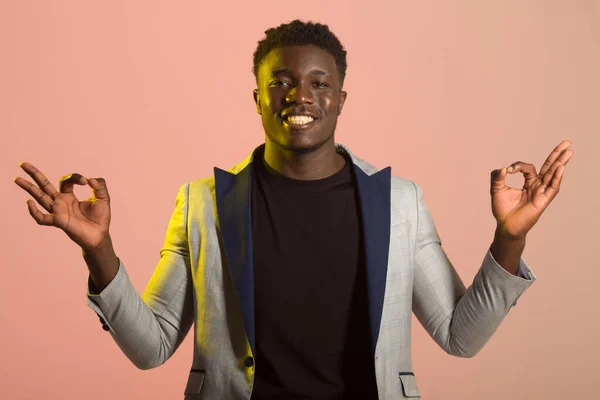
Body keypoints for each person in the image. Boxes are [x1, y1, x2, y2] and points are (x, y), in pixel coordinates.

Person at [14, 19, 573, 400]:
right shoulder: (203, 203)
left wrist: (510, 241)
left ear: (340, 99)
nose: (299, 96)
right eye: (279, 81)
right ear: (257, 97)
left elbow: (459, 335)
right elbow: (153, 345)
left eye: (317, 82)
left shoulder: (399, 203)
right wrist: (99, 251)